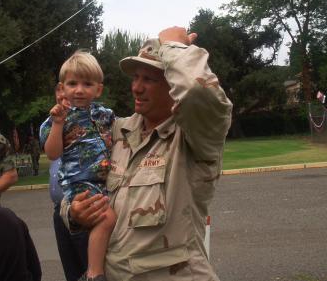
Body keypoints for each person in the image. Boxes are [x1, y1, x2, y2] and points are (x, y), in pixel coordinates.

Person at [64, 26, 233, 281]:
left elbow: (198, 91)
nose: (136, 88)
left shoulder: (193, 138)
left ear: (173, 84)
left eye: (150, 79)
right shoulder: (116, 131)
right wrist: (73, 212)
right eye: (135, 78)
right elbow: (78, 175)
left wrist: (174, 45)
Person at [40, 51, 116, 281]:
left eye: (87, 83)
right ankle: (93, 273)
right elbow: (53, 153)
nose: (79, 90)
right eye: (72, 84)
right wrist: (58, 124)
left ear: (98, 89)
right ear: (62, 88)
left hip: (106, 183)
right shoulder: (57, 118)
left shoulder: (105, 115)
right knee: (107, 218)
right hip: (79, 184)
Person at [44, 86, 89, 281]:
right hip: (60, 211)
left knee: (91, 268)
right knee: (71, 271)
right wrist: (57, 123)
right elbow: (52, 154)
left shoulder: (92, 119)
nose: (64, 96)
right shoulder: (49, 124)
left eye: (67, 89)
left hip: (85, 206)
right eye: (59, 91)